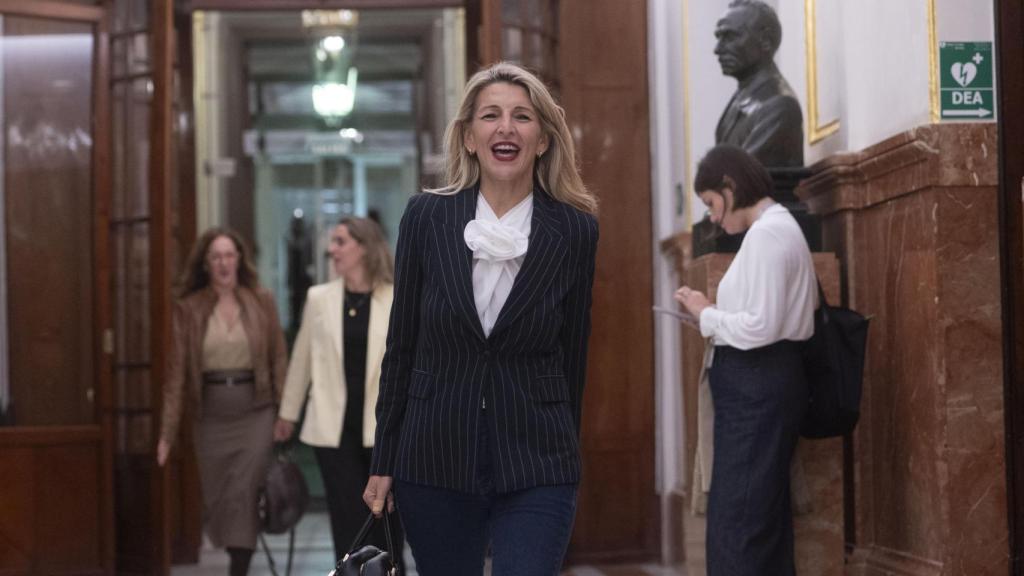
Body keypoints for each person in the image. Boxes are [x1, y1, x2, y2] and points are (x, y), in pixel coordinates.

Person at [362, 61, 599, 576]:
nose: (505, 128)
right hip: (434, 456)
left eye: (522, 117)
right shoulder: (426, 217)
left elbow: (573, 355)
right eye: (490, 116)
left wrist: (566, 453)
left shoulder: (576, 231)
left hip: (538, 459)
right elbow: (400, 349)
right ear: (469, 137)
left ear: (542, 140)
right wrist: (384, 460)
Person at [674, 145, 817, 575]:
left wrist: (705, 313)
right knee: (755, 521)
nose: (713, 218)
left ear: (730, 188)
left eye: (712, 204)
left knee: (740, 524)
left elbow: (761, 327)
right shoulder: (770, 231)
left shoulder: (770, 233)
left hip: (759, 389)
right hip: (762, 386)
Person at [157, 228, 287, 576]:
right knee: (219, 497)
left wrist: (284, 413)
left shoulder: (262, 301)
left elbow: (278, 359)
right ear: (206, 264)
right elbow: (176, 376)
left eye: (230, 255)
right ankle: (236, 552)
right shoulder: (189, 310)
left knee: (243, 493)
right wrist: (167, 434)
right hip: (210, 415)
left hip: (255, 410)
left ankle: (238, 568)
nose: (224, 263)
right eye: (216, 256)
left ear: (240, 260)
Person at [274, 217, 403, 564]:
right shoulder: (319, 298)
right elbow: (301, 359)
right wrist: (288, 413)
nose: (332, 249)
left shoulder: (396, 298)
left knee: (388, 522)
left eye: (340, 241)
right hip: (334, 431)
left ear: (364, 247)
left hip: (384, 431)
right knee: (347, 522)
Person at [714, 0, 804, 168]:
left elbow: (738, 177)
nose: (717, 49)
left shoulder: (779, 106)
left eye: (730, 37)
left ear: (765, 41)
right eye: (718, 37)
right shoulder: (739, 100)